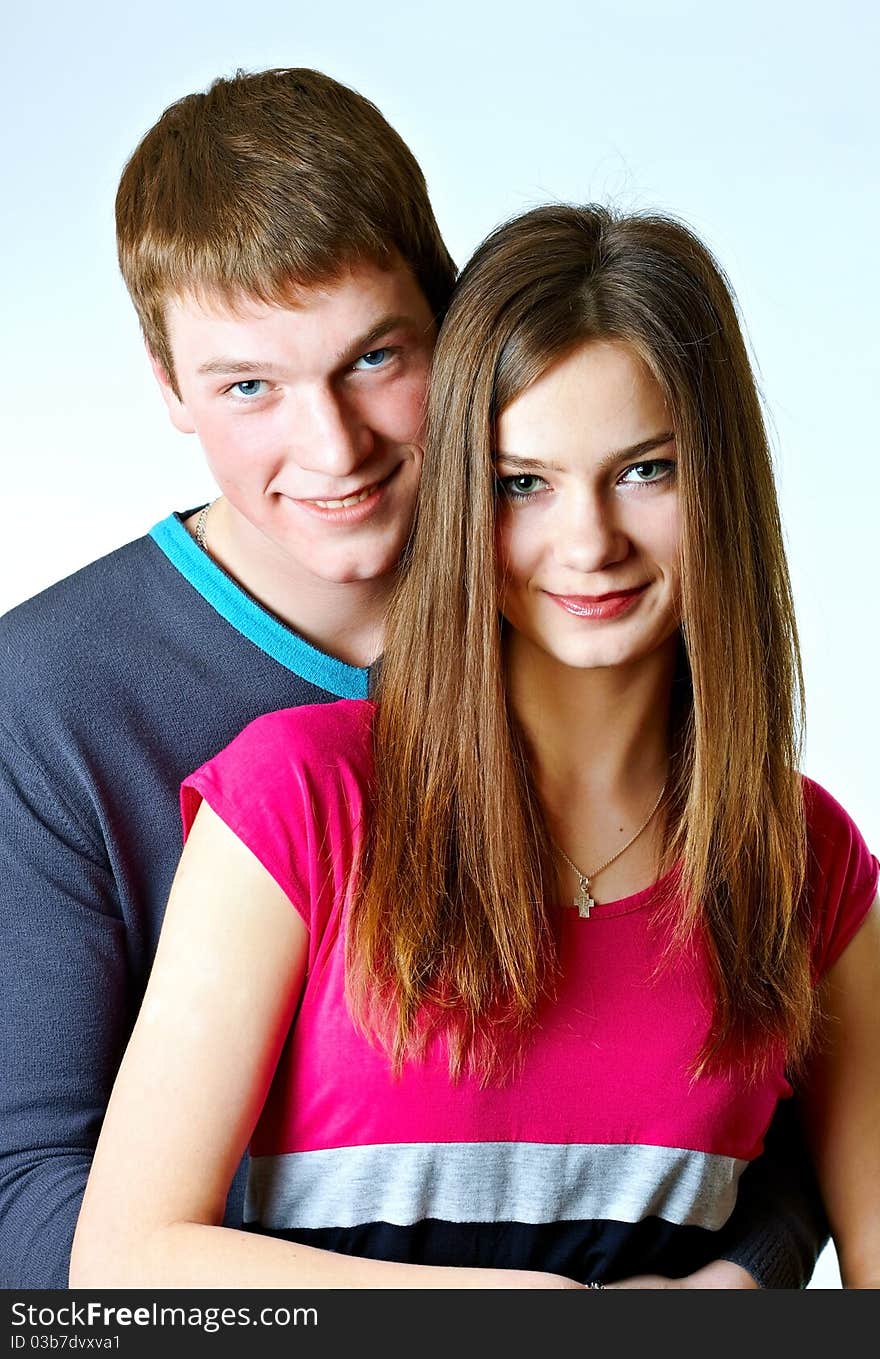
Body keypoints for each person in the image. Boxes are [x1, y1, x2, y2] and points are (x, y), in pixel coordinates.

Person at [0, 66, 826, 1291]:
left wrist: (736, 1278)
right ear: (168, 388)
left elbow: (766, 1079)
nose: (334, 446)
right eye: (248, 386)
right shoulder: (50, 699)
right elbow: (35, 1216)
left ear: (458, 330)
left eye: (377, 358)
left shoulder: (582, 605)